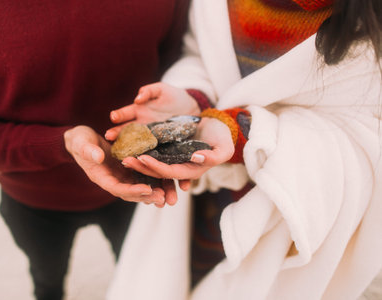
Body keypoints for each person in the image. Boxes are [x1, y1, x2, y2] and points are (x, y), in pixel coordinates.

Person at [105, 0, 382, 299]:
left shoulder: (370, 25)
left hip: (284, 220)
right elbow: (201, 54)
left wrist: (243, 133)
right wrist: (192, 98)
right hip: (195, 202)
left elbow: (365, 134)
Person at [0, 1, 191, 299]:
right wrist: (61, 143)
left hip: (143, 186)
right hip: (34, 198)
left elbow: (184, 62)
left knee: (141, 282)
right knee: (47, 282)